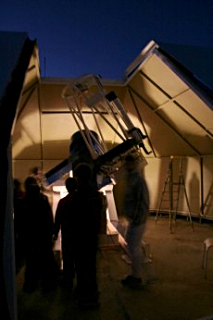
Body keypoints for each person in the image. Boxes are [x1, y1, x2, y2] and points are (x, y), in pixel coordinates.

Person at [72, 163, 103, 309]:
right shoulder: (94, 193)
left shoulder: (79, 195)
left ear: (78, 177)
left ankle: (86, 296)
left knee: (82, 267)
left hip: (81, 236)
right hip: (91, 236)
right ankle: (91, 293)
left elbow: (76, 218)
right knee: (90, 266)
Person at [21, 176, 58, 293]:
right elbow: (48, 218)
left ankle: (30, 285)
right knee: (46, 260)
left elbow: (21, 221)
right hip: (43, 236)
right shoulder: (43, 199)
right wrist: (52, 231)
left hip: (30, 236)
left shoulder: (23, 201)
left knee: (31, 262)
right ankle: (47, 285)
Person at [121, 154, 150, 288]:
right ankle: (134, 274)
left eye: (129, 163)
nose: (127, 166)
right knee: (130, 245)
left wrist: (138, 218)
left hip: (137, 219)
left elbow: (142, 200)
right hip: (132, 219)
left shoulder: (138, 181)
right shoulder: (130, 178)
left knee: (134, 247)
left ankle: (137, 277)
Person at [53, 177, 77, 289]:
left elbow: (58, 219)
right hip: (80, 235)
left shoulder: (63, 202)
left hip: (67, 234)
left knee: (68, 258)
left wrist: (55, 233)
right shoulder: (82, 201)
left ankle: (68, 281)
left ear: (66, 187)